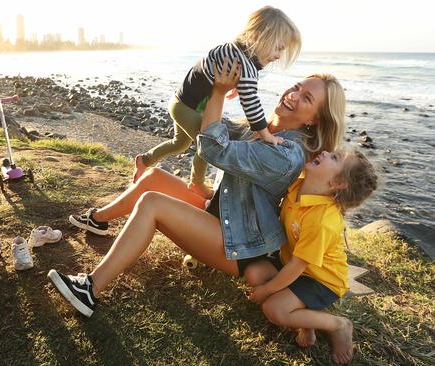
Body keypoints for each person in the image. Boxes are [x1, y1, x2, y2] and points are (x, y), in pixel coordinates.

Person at [51, 62, 346, 349]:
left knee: (152, 204)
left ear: (315, 119)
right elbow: (207, 128)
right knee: (155, 178)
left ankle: (90, 289)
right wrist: (213, 85)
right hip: (225, 214)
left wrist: (218, 93)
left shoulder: (286, 152)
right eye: (296, 87)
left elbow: (213, 147)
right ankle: (99, 220)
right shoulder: (264, 128)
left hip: (240, 244)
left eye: (306, 97)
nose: (293, 94)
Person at [133, 6, 302, 199]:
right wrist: (266, 135)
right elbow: (252, 104)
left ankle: (145, 160)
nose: (279, 55)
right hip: (187, 108)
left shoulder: (232, 50)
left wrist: (236, 85)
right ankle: (196, 184)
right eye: (278, 47)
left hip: (180, 101)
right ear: (259, 37)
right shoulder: (244, 65)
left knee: (179, 144)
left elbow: (210, 67)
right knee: (206, 143)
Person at [243, 147, 377, 365]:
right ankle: (307, 320)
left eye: (333, 157)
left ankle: (338, 324)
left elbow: (298, 266)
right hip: (295, 264)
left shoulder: (322, 219)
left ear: (337, 184)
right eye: (332, 152)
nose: (324, 152)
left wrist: (267, 290)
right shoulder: (298, 186)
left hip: (322, 279)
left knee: (274, 309)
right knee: (254, 272)